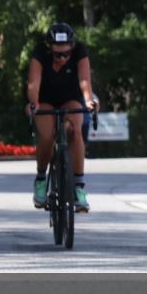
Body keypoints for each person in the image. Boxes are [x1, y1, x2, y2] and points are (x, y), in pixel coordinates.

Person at [25, 22, 97, 212]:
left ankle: (79, 187)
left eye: (66, 54)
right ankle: (41, 179)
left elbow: (85, 81)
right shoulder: (40, 53)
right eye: (58, 54)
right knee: (47, 135)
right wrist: (33, 104)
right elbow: (34, 84)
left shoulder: (80, 51)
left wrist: (89, 101)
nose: (63, 58)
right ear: (50, 49)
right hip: (45, 100)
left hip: (70, 99)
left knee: (75, 130)